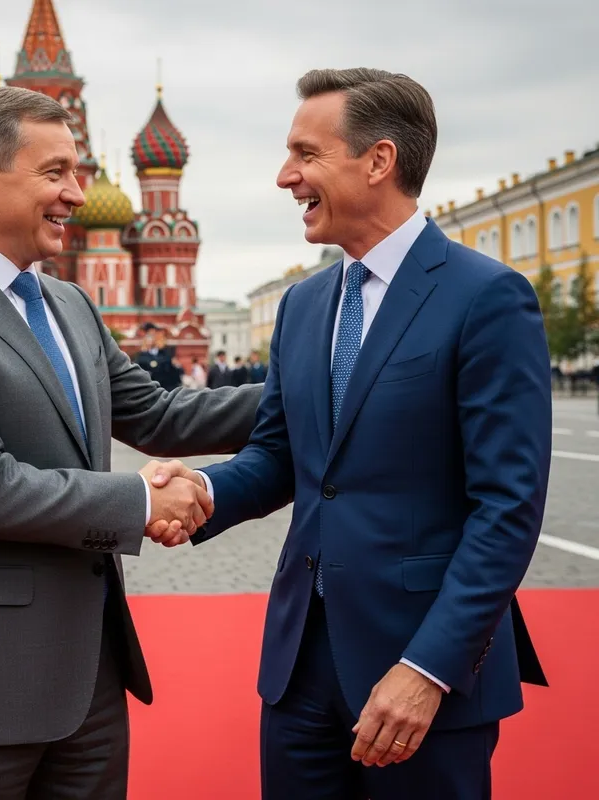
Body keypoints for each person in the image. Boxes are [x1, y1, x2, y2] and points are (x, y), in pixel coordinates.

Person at [150, 68, 551, 799]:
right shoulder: (303, 305)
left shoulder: (487, 298)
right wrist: (200, 487)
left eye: (306, 154)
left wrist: (428, 669)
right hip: (300, 666)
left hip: (421, 673)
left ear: (378, 161)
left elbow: (507, 509)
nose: (285, 176)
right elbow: (281, 455)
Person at [0, 85, 262, 800]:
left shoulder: (68, 302)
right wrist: (144, 501)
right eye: (56, 173)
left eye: (77, 172)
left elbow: (159, 416)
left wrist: (325, 389)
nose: (77, 192)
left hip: (89, 679)